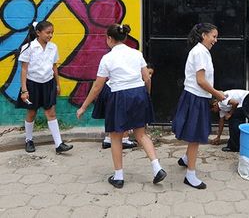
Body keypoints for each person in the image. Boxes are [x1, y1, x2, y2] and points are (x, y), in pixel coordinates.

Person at [77, 24, 166, 188]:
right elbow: (147, 78)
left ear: (109, 39)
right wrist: (146, 95)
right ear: (125, 37)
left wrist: (83, 107)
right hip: (139, 93)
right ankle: (157, 168)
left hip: (119, 96)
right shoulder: (136, 53)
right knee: (141, 134)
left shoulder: (107, 58)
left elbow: (97, 86)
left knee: (116, 137)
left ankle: (118, 177)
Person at [172, 23, 225, 189]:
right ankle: (190, 175)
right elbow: (201, 80)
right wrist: (217, 94)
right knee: (195, 137)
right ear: (204, 35)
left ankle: (187, 159)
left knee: (195, 131)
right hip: (196, 97)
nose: (215, 40)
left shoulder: (201, 51)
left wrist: (214, 93)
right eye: (213, 36)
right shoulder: (201, 52)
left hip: (196, 96)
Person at [16, 21, 73, 154]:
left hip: (48, 83)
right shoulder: (28, 47)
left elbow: (54, 67)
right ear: (38, 33)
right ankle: (28, 140)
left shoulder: (53, 47)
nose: (50, 35)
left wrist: (57, 84)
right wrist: (24, 90)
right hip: (32, 84)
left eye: (52, 32)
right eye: (48, 32)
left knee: (51, 112)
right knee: (32, 112)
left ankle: (59, 144)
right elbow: (24, 70)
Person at [99, 64, 155, 149]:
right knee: (122, 115)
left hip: (110, 90)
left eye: (151, 74)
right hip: (114, 91)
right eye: (149, 72)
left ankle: (109, 139)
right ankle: (124, 140)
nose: (149, 76)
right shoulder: (136, 80)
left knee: (115, 116)